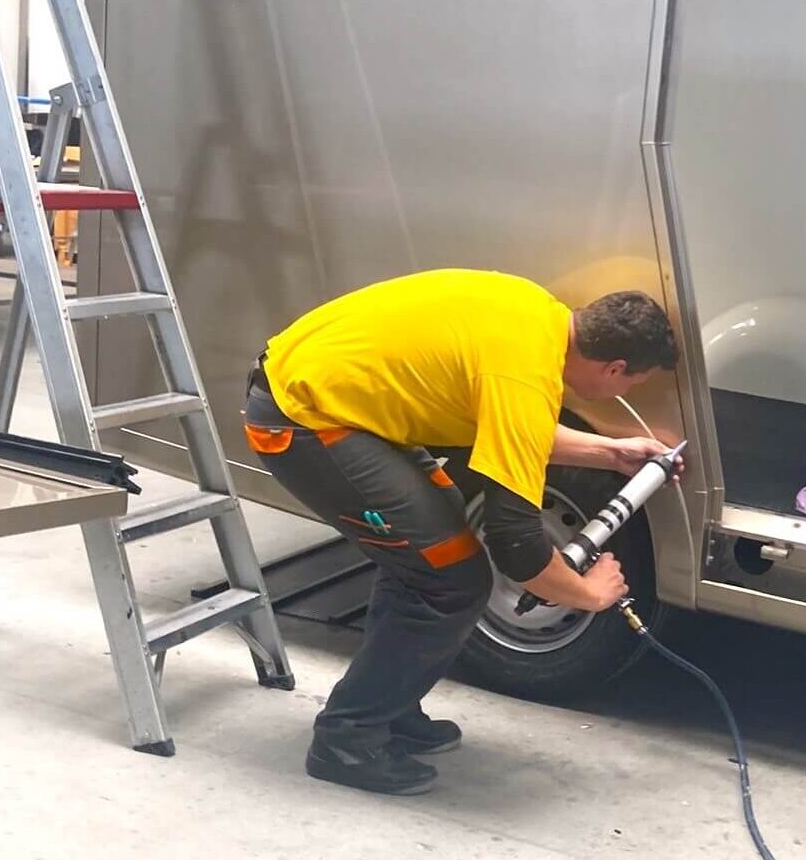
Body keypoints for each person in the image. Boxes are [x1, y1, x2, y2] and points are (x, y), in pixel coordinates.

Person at [242, 267, 680, 795]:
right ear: (614, 368)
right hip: (302, 416)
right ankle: (346, 740)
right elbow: (516, 544)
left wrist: (611, 452)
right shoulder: (527, 375)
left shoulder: (535, 315)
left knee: (428, 557)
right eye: (632, 384)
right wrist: (589, 594)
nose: (624, 394)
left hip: (335, 397)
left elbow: (519, 428)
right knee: (450, 579)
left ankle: (388, 707)